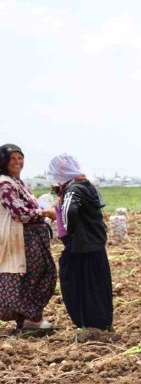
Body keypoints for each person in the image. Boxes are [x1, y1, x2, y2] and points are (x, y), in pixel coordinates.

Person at [48, 154, 113, 336]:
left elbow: (70, 210)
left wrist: (70, 232)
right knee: (96, 285)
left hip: (80, 246)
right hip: (93, 245)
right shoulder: (85, 185)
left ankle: (89, 324)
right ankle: (102, 324)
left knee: (77, 285)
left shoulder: (73, 189)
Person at [0, 144, 57, 330]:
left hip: (31, 238)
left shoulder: (18, 182)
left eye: (20, 158)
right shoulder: (4, 184)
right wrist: (43, 213)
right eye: (13, 159)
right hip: (21, 238)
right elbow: (18, 212)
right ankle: (32, 319)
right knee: (29, 276)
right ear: (4, 161)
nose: (17, 162)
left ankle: (28, 319)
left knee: (38, 274)